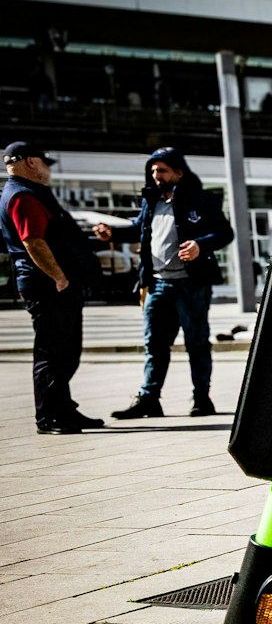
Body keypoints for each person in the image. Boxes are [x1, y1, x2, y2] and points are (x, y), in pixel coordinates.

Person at [95, 147, 235, 417]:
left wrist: (200, 245)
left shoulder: (201, 199)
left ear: (179, 173)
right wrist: (112, 233)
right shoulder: (151, 201)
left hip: (190, 284)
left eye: (162, 170)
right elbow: (138, 229)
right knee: (154, 343)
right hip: (157, 284)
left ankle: (202, 399)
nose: (156, 175)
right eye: (152, 171)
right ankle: (149, 399)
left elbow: (224, 233)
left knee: (197, 342)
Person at [2, 142, 102, 433]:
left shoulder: (29, 193)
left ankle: (64, 409)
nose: (47, 169)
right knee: (52, 353)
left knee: (67, 351)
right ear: (31, 162)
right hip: (49, 286)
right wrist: (59, 276)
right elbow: (33, 241)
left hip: (55, 285)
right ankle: (49, 416)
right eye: (45, 163)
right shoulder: (23, 196)